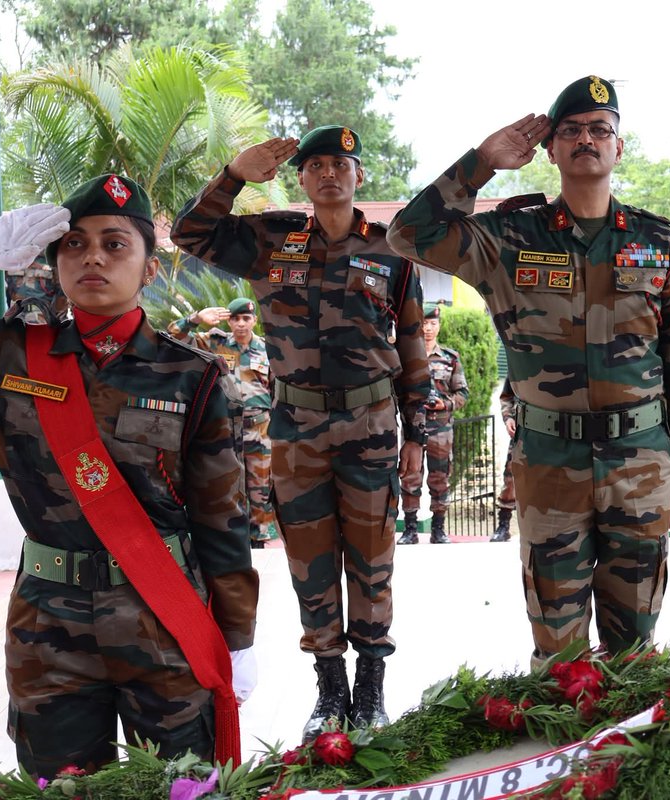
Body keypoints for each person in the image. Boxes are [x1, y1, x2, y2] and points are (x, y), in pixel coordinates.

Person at [387, 75, 670, 667]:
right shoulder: (509, 236)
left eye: (600, 130)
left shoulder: (661, 241)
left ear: (619, 147)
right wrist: (481, 163)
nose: (587, 139)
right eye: (571, 130)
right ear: (551, 149)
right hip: (549, 463)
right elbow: (408, 234)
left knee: (636, 644)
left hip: (641, 461)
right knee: (557, 647)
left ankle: (625, 754)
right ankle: (569, 755)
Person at [0, 176, 259, 773]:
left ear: (149, 270)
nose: (92, 255)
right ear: (53, 264)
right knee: (59, 787)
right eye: (73, 244)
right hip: (49, 623)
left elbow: (220, 514)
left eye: (115, 243)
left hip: (164, 613)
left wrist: (238, 632)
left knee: (182, 784)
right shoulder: (4, 356)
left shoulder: (191, 374)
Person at [171, 125, 430, 739]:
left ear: (359, 175)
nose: (328, 174)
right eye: (314, 165)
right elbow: (191, 233)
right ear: (301, 179)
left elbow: (413, 345)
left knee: (372, 559)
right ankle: (328, 689)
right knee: (310, 562)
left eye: (340, 163)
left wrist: (417, 432)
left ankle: (370, 688)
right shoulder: (269, 240)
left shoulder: (391, 251)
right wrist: (234, 175)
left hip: (370, 424)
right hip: (296, 425)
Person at [169, 298, 277, 547]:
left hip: (260, 428)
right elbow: (174, 336)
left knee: (261, 484)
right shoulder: (214, 343)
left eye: (246, 318)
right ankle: (231, 537)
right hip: (225, 428)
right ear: (229, 321)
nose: (240, 324)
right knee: (226, 483)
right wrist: (195, 319)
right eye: (235, 318)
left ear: (254, 321)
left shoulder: (267, 349)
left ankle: (260, 539)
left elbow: (277, 388)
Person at [399, 302, 468, 544]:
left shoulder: (450, 358)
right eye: (424, 323)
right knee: (410, 477)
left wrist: (445, 404)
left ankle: (438, 530)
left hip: (440, 427)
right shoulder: (407, 357)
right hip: (413, 427)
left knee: (440, 478)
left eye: (432, 323)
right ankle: (410, 530)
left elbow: (463, 394)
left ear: (438, 327)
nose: (428, 328)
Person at [491, 378, 518, 542]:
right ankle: (504, 525)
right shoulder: (521, 362)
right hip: (523, 433)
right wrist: (508, 418)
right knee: (511, 480)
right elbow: (507, 397)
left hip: (557, 435)